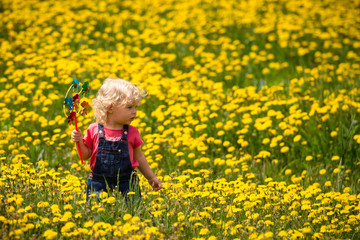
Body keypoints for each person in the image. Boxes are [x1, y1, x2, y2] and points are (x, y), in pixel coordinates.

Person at [71, 77, 163, 202]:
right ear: (110, 107)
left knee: (133, 208)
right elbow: (85, 155)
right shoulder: (93, 130)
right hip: (99, 182)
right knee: (97, 210)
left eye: (135, 107)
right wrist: (79, 142)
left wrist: (151, 178)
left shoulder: (132, 132)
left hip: (127, 183)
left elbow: (139, 157)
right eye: (129, 107)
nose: (134, 111)